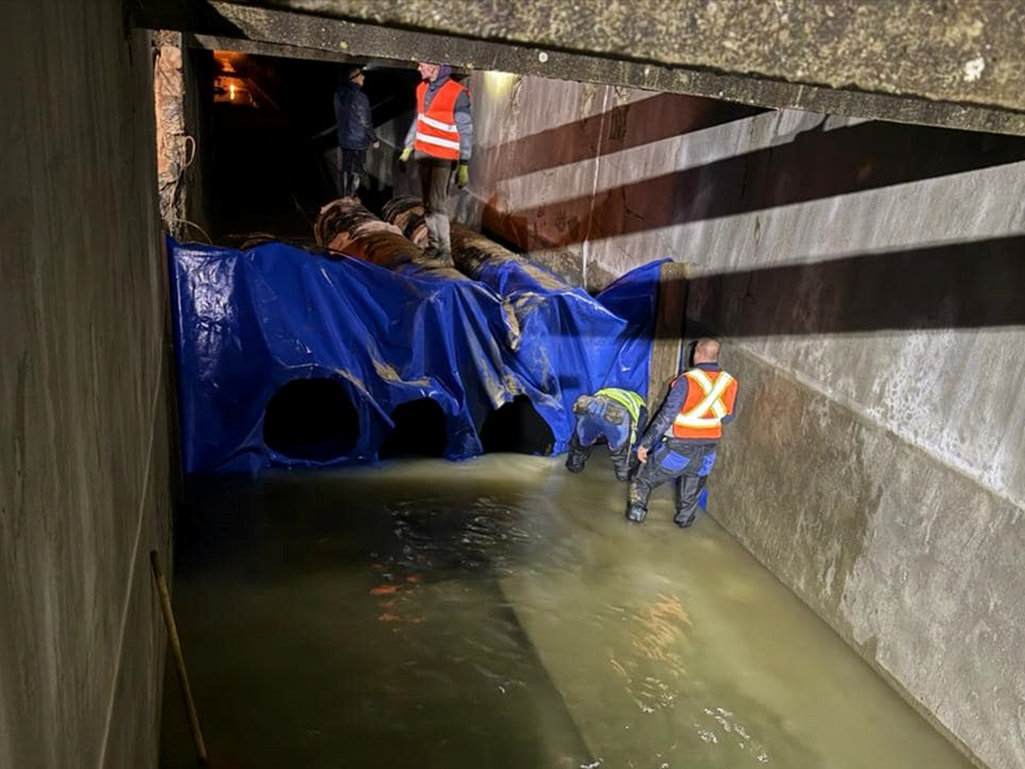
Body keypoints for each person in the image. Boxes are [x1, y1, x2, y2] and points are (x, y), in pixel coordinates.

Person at [626, 338, 738, 527]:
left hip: (677, 451)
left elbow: (666, 416)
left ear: (697, 354)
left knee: (642, 480)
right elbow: (727, 418)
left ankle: (632, 527)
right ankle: (684, 526)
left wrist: (645, 444)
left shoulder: (687, 380)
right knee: (689, 502)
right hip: (707, 454)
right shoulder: (730, 383)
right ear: (716, 356)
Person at [399, 62, 473, 263]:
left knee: (438, 204)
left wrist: (464, 163)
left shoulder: (457, 93)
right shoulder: (422, 88)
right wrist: (408, 147)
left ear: (434, 67)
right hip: (424, 155)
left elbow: (465, 130)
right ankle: (433, 246)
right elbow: (419, 119)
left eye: (422, 65)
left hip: (443, 157)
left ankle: (445, 253)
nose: (418, 69)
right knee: (428, 204)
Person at [565, 387, 648, 481]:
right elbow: (634, 440)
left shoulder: (612, 391)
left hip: (595, 403)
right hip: (617, 418)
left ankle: (573, 466)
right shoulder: (642, 410)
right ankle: (624, 481)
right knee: (624, 463)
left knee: (579, 445)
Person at [334, 64, 379, 198]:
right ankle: (352, 196)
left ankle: (344, 195)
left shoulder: (338, 94)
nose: (363, 76)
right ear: (354, 79)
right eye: (360, 74)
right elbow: (366, 121)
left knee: (346, 167)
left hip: (344, 137)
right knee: (356, 169)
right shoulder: (360, 97)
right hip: (358, 140)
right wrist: (374, 139)